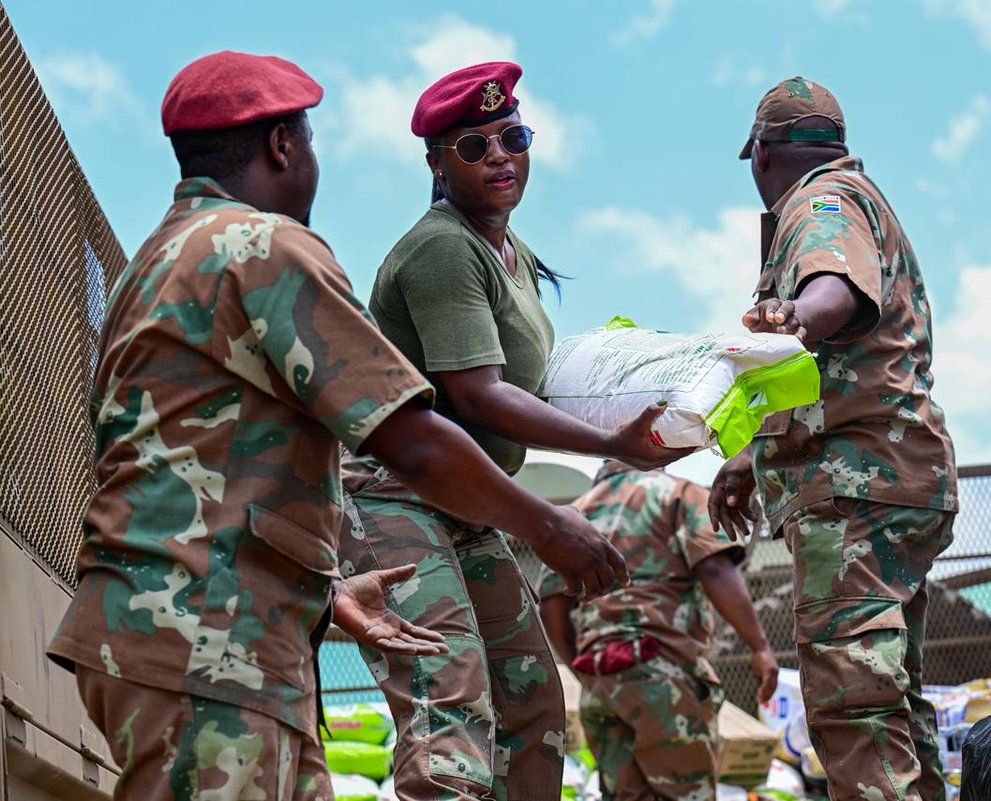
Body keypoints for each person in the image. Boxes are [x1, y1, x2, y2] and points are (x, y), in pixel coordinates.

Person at [46, 51, 627, 801]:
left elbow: (185, 457)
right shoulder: (263, 247)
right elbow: (410, 439)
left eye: (513, 138)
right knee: (453, 723)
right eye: (311, 140)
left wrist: (326, 587)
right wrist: (550, 526)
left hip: (200, 625)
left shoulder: (154, 265)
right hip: (210, 637)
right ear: (284, 146)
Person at [337, 61, 690, 801]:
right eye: (474, 146)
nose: (500, 155)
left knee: (534, 704)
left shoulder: (512, 252)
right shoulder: (442, 249)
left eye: (512, 136)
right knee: (450, 700)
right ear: (437, 162)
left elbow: (532, 379)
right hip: (397, 496)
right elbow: (482, 394)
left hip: (465, 498)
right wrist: (613, 444)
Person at [709, 77, 959, 801]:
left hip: (859, 487)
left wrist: (795, 315)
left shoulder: (822, 202)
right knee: (889, 699)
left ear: (761, 154)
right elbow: (834, 373)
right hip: (892, 474)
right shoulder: (855, 195)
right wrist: (752, 454)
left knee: (853, 704)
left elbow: (835, 290)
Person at [538, 461, 779, 801]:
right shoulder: (676, 494)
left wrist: (586, 672)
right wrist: (759, 647)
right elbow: (714, 569)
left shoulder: (575, 517)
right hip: (662, 675)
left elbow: (551, 606)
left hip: (599, 677)